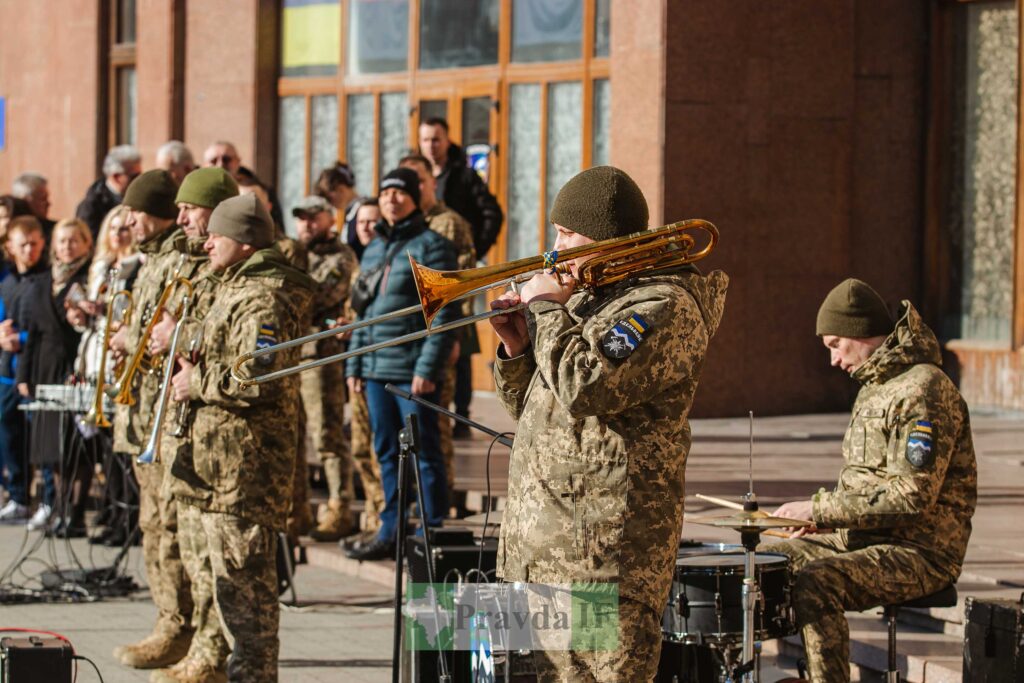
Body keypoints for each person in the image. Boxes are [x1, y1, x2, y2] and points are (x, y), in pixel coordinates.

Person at [488, 166, 728, 682]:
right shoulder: (591, 297)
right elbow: (537, 409)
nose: (553, 249)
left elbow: (585, 386)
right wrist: (517, 347)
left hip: (602, 562)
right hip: (540, 553)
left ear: (603, 236)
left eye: (567, 234)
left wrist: (548, 312)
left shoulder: (662, 305)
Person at [763, 278, 978, 683]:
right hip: (869, 538)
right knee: (773, 563)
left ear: (860, 332)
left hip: (922, 550)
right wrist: (821, 520)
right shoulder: (875, 385)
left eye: (834, 344)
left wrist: (820, 507)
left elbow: (912, 497)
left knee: (817, 581)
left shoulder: (922, 389)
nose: (832, 360)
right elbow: (866, 486)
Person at [158, 193, 313, 682]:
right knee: (225, 583)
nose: (206, 244)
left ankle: (254, 675)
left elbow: (258, 374)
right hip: (219, 461)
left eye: (217, 236)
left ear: (244, 243)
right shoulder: (236, 284)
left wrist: (197, 383)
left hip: (247, 467)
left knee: (246, 588)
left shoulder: (265, 296)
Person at [344, 167, 458, 562]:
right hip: (375, 369)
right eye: (386, 191)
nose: (391, 198)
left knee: (424, 450)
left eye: (400, 192)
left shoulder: (433, 245)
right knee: (385, 448)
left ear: (415, 198)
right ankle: (391, 529)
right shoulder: (374, 247)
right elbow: (364, 311)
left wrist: (428, 367)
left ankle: (431, 532)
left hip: (411, 371)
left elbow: (444, 315)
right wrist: (354, 365)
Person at [109, 170, 195, 671]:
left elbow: (165, 332)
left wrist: (132, 340)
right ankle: (167, 620)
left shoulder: (178, 258)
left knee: (164, 525)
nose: (128, 221)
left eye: (136, 212)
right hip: (142, 410)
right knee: (151, 522)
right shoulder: (152, 260)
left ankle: (176, 628)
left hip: (162, 415)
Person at [399, 153, 477, 505]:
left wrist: (455, 334)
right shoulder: (402, 222)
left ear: (431, 182)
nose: (410, 189)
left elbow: (459, 283)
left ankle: (442, 501)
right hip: (406, 337)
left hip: (439, 331)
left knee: (435, 426)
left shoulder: (449, 223)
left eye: (417, 180)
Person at [16, 219, 93, 536]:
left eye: (74, 241)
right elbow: (31, 334)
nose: (67, 247)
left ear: (86, 244)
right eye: (62, 241)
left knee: (76, 446)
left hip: (74, 369)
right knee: (51, 448)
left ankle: (75, 515)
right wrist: (23, 374)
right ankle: (59, 509)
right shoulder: (43, 281)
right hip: (44, 370)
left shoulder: (88, 279)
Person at [290, 195, 359, 542]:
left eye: (312, 218)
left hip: (320, 355)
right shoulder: (298, 254)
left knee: (327, 435)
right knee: (294, 436)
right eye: (301, 219)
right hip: (293, 355)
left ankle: (339, 506)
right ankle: (298, 508)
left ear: (330, 219)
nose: (305, 225)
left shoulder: (339, 257)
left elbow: (312, 298)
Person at [74, 206, 142, 546]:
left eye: (124, 228)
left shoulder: (137, 266)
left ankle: (130, 516)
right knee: (103, 445)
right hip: (96, 352)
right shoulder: (101, 267)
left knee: (121, 447)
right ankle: (115, 512)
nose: (118, 234)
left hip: (119, 355)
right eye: (112, 228)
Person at [0, 217, 47, 523]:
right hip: (7, 372)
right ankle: (18, 496)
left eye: (34, 243)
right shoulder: (5, 282)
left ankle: (48, 500)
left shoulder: (47, 279)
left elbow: (49, 327)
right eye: (23, 244)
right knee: (9, 433)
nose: (29, 250)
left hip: (37, 372)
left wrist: (22, 338)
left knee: (40, 437)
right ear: (10, 247)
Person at [342, 200, 384, 547]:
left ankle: (381, 519)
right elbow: (357, 322)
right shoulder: (361, 265)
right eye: (362, 222)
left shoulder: (387, 260)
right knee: (359, 447)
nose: (367, 227)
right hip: (360, 364)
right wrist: (352, 365)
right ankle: (371, 517)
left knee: (377, 450)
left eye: (374, 221)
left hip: (381, 366)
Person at [417, 117, 503, 259]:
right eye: (426, 140)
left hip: (457, 257)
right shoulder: (413, 176)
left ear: (447, 141)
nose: (431, 146)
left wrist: (475, 249)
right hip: (422, 255)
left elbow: (492, 213)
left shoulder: (465, 175)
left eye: (436, 140)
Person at [76, 145, 143, 238]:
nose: (139, 180)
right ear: (116, 177)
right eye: (134, 176)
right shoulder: (92, 206)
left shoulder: (141, 196)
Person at [315, 162, 364, 254]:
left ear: (341, 189)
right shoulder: (350, 213)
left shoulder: (363, 210)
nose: (329, 204)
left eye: (329, 198)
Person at [12, 172, 55, 238]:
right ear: (25, 199)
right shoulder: (8, 228)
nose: (48, 204)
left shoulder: (54, 231)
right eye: (43, 199)